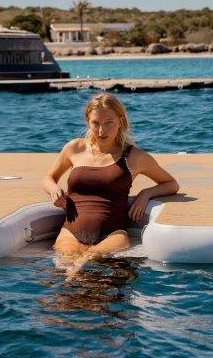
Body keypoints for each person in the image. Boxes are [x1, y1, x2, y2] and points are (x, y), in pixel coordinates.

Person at [43, 93, 179, 260]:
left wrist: (146, 193)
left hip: (113, 235)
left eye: (109, 122)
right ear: (88, 121)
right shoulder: (75, 148)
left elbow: (171, 184)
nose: (102, 131)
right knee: (69, 268)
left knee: (90, 260)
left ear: (121, 121)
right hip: (70, 232)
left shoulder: (133, 157)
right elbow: (48, 177)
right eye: (96, 123)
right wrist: (54, 189)